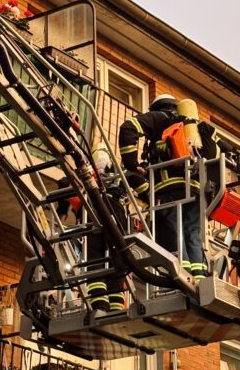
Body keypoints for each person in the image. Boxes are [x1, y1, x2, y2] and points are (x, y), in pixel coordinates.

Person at [118, 95, 230, 279]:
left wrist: (131, 163)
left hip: (168, 188)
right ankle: (199, 274)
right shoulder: (195, 126)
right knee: (193, 231)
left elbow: (129, 127)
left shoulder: (159, 118)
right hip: (196, 189)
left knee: (174, 230)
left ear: (156, 107)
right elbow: (225, 148)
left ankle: (183, 271)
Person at [55, 180, 126, 315]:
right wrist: (63, 210)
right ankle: (116, 309)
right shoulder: (96, 196)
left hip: (99, 210)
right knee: (114, 261)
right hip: (115, 212)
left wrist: (61, 210)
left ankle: (100, 305)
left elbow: (66, 191)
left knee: (93, 260)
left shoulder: (87, 204)